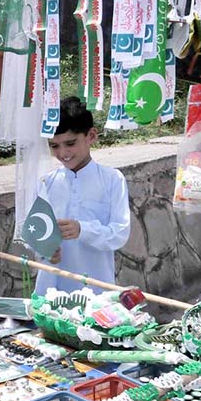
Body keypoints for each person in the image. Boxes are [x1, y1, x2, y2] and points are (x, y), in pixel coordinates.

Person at [34, 97, 131, 295]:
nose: (63, 153)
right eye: (54, 146)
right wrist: (45, 250)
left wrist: (83, 230)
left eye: (70, 143)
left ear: (91, 136)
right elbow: (35, 232)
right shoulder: (46, 182)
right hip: (52, 291)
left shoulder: (112, 179)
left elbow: (119, 233)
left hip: (97, 290)